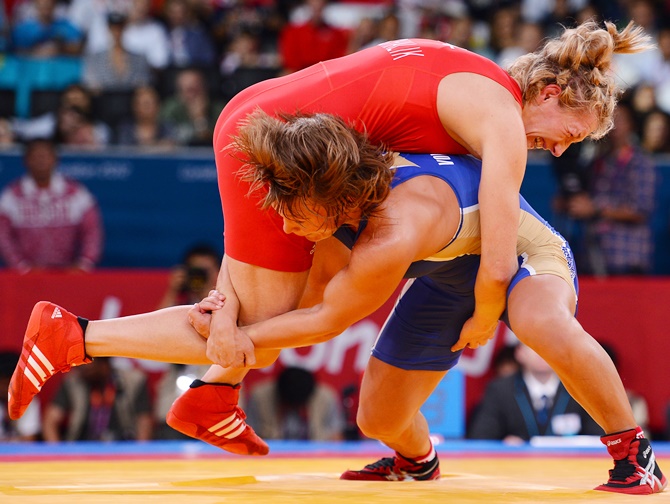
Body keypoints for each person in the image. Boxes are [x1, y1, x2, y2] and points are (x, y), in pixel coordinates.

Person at [9, 20, 655, 477]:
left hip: (271, 123)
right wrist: (486, 321)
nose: (563, 152)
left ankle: (211, 392)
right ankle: (76, 338)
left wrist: (236, 321)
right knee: (263, 318)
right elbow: (485, 265)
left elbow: (334, 302)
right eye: (569, 133)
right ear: (548, 94)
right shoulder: (501, 124)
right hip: (283, 144)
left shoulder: (473, 85)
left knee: (278, 306)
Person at [568, 102, 657, 275]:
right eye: (610, 120)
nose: (614, 125)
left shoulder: (641, 163)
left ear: (632, 125)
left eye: (620, 120)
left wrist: (594, 209)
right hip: (595, 256)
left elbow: (640, 210)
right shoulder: (599, 160)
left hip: (627, 257)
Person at [0, 138, 103, 272]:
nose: (41, 161)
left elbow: (92, 231)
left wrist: (84, 264)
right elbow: (3, 235)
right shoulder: (12, 196)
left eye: (46, 156)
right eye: (36, 157)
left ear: (56, 159)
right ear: (26, 161)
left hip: (68, 275)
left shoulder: (76, 193)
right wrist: (22, 267)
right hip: (26, 277)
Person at [468, 343, 603, 442]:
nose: (542, 353)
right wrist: (506, 444)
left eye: (549, 346)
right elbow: (481, 437)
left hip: (571, 468)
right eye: (534, 346)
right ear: (520, 353)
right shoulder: (500, 390)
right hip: (518, 469)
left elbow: (598, 437)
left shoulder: (579, 388)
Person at [42, 357, 153, 441]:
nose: (80, 367)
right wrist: (59, 454)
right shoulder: (73, 382)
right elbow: (50, 421)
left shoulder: (133, 380)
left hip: (123, 447)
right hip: (80, 449)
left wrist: (138, 453)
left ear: (103, 362)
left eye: (86, 361)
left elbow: (144, 422)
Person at [246, 366, 344, 441]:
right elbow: (248, 435)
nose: (294, 407)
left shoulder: (326, 397)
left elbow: (336, 437)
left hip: (316, 457)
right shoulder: (260, 396)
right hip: (268, 457)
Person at [82, 12, 152, 94]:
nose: (117, 32)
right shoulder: (95, 59)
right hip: (104, 103)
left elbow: (144, 84)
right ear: (109, 29)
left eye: (120, 28)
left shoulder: (139, 59)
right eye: (113, 28)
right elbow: (90, 85)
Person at [0, 351, 41, 441]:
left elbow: (29, 440)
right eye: (2, 384)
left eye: (9, 384)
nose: (5, 389)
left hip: (19, 453)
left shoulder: (28, 401)